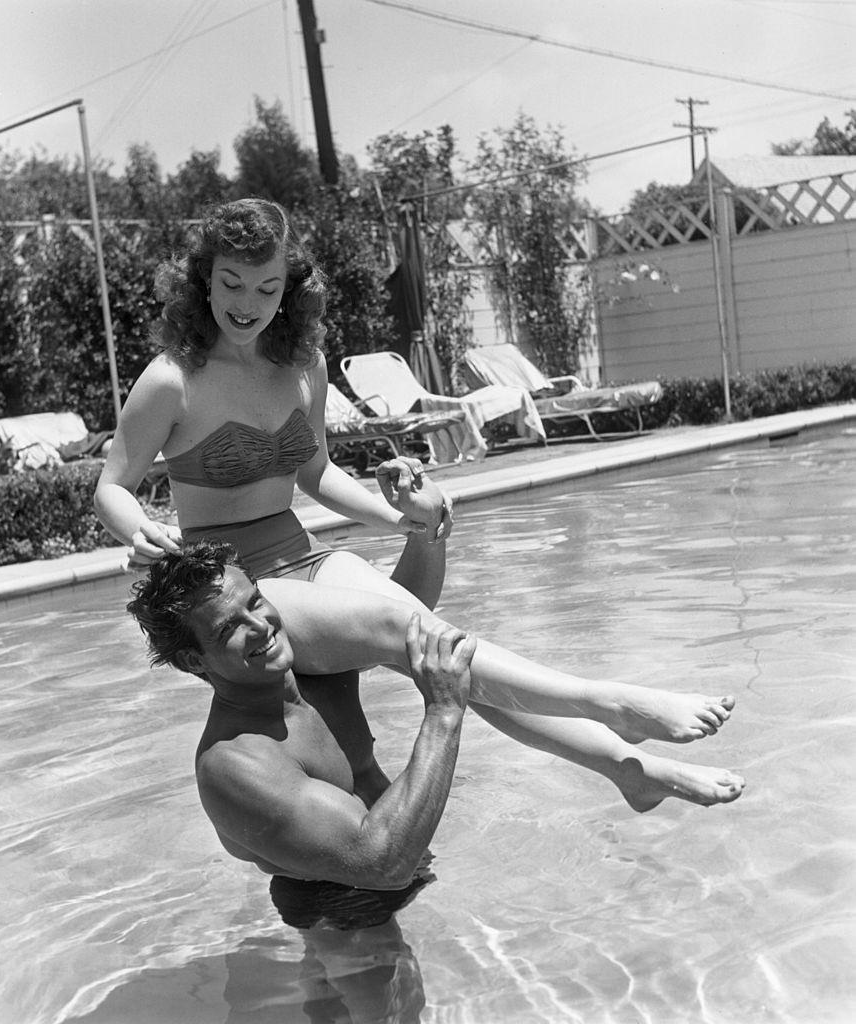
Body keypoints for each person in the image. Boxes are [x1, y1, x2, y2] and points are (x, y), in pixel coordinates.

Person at [96, 197, 743, 788]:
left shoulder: (302, 365)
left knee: (443, 647)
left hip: (305, 553)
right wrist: (139, 531)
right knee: (396, 626)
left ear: (289, 288)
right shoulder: (172, 380)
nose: (247, 303)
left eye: (266, 288)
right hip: (235, 581)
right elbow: (112, 489)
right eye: (231, 284)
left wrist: (397, 519)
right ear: (203, 278)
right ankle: (607, 702)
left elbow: (315, 474)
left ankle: (627, 768)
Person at [128, 544, 744, 895]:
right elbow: (379, 862)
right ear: (192, 660)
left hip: (404, 865)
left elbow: (402, 620)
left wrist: (425, 536)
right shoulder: (237, 765)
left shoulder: (304, 671)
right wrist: (444, 711)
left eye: (258, 602)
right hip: (344, 910)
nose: (261, 626)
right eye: (231, 628)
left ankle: (624, 761)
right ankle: (611, 716)